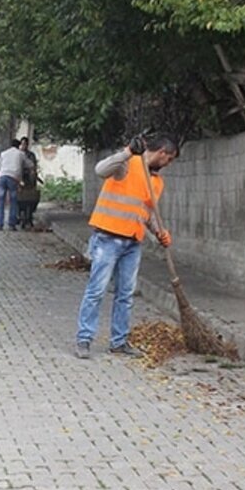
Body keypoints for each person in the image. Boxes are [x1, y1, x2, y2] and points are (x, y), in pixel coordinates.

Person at [74, 133, 178, 359]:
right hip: (108, 238)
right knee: (96, 291)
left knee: (126, 294)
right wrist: (128, 151)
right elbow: (100, 170)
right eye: (169, 159)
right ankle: (84, 339)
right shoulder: (127, 164)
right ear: (162, 153)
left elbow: (146, 213)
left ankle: (119, 342)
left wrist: (160, 232)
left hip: (133, 241)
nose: (168, 164)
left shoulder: (157, 182)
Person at [0, 138, 25, 230]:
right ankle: (11, 224)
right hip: (13, 178)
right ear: (19, 145)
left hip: (2, 177)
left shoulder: (4, 153)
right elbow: (29, 164)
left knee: (1, 201)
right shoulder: (21, 154)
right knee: (13, 201)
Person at [16, 137, 43, 230]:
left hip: (30, 182)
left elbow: (33, 167)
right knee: (19, 200)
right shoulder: (18, 154)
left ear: (27, 145)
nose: (23, 146)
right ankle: (19, 216)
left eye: (25, 144)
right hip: (20, 179)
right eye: (22, 144)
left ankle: (29, 217)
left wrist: (33, 175)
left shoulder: (31, 155)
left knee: (31, 200)